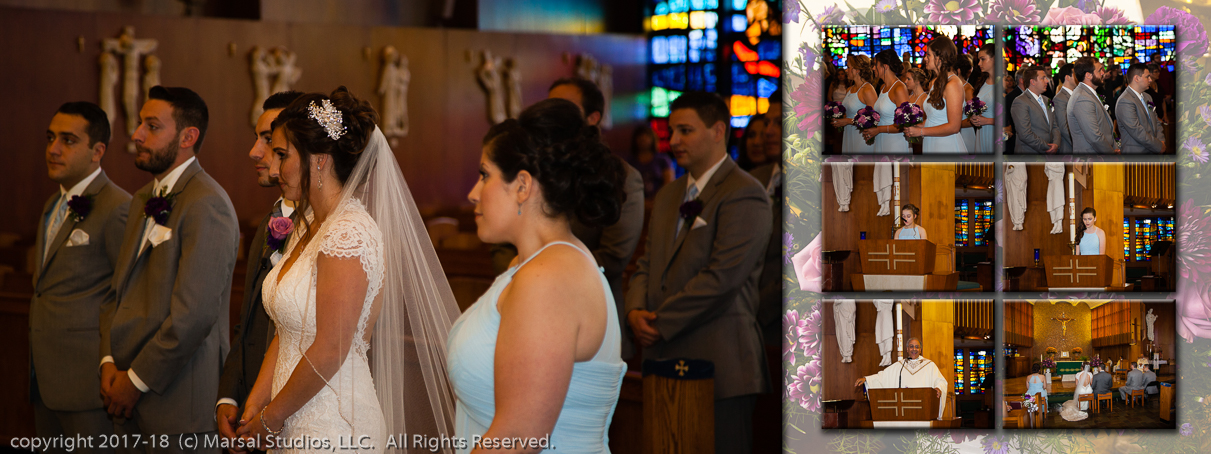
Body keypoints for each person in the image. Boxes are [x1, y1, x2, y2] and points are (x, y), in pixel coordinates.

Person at [236, 87, 461, 448]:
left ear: (320, 159)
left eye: (282, 155)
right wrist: (255, 405)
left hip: (334, 424)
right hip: (288, 412)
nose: (274, 168)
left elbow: (331, 348)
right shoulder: (308, 225)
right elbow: (286, 329)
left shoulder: (349, 233)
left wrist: (272, 417)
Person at [448, 98, 627, 452]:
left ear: (523, 186)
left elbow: (517, 440)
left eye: (485, 175)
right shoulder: (530, 266)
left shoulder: (549, 278)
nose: (473, 193)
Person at [626, 92, 770, 453]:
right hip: (662, 359)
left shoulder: (745, 193)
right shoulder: (668, 195)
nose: (673, 140)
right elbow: (646, 262)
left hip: (720, 363)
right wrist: (634, 310)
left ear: (718, 130)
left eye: (685, 130)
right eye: (671, 131)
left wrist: (658, 321)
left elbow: (722, 279)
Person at [100, 86, 239, 452]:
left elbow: (193, 316)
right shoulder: (144, 198)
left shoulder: (207, 203)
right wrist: (109, 362)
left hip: (180, 404)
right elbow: (117, 292)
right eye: (140, 124)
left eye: (152, 126)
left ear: (187, 137)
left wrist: (136, 380)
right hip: (126, 395)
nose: (137, 135)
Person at [32, 102, 130, 453]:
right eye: (50, 137)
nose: (53, 149)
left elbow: (126, 295)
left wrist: (115, 369)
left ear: (97, 151)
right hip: (45, 376)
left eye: (68, 140)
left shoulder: (117, 206)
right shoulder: (51, 205)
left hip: (89, 383)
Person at [214, 90, 302, 450]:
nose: (255, 151)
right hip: (251, 405)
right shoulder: (270, 221)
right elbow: (246, 319)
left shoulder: (331, 231)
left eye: (270, 141)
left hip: (294, 408)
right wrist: (229, 396)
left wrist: (269, 413)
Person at [546, 76, 645, 359]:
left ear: (593, 118)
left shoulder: (622, 177)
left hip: (591, 317)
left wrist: (540, 273)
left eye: (564, 107)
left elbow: (613, 257)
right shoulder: (535, 170)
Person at [854, 338, 948, 420]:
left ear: (920, 349)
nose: (914, 349)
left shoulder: (929, 365)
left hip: (922, 408)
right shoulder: (900, 365)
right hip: (904, 409)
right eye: (911, 346)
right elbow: (883, 376)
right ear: (907, 349)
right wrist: (867, 379)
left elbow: (941, 381)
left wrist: (939, 387)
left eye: (916, 347)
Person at [903, 37, 968, 153]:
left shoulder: (953, 83)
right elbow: (935, 119)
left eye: (928, 55)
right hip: (931, 142)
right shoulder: (935, 82)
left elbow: (954, 126)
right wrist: (918, 126)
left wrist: (921, 132)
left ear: (940, 58)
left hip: (946, 145)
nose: (925, 58)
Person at [861, 50, 910, 153]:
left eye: (875, 65)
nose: (873, 68)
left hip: (895, 142)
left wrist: (878, 129)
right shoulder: (882, 87)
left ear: (885, 66)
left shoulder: (899, 88)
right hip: (881, 139)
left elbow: (904, 124)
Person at [1067, 57, 1117, 154]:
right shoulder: (1082, 98)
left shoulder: (1088, 93)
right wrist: (1112, 154)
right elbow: (1094, 136)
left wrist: (1114, 147)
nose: (1103, 73)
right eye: (1099, 70)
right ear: (1088, 75)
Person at [831, 54, 877, 154]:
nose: (846, 70)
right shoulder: (850, 89)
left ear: (857, 70)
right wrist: (839, 119)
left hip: (862, 136)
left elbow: (875, 119)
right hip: (848, 133)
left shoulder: (867, 89)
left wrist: (848, 121)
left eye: (848, 67)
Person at [1115, 63, 1164, 154]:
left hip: (1152, 150)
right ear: (1136, 78)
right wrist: (1158, 145)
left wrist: (1161, 140)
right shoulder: (1125, 100)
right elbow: (1136, 131)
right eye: (1147, 77)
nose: (1150, 79)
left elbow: (1156, 120)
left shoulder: (1147, 97)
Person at [1010, 65, 1060, 154]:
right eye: (1043, 78)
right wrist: (1047, 147)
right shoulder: (1020, 101)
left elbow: (1055, 126)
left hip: (1049, 152)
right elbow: (1025, 134)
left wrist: (1056, 144)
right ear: (1033, 82)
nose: (1047, 81)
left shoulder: (1047, 100)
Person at [627, 124, 673, 198]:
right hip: (636, 200)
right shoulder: (629, 161)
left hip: (660, 199)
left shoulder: (663, 159)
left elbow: (669, 183)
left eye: (646, 136)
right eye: (640, 136)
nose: (643, 139)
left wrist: (656, 200)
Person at [970, 44, 996, 154]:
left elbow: (1010, 119)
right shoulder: (982, 82)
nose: (979, 63)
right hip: (982, 132)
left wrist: (988, 121)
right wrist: (973, 117)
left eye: (983, 59)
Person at [955, 54, 977, 154]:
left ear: (958, 70)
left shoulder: (968, 90)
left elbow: (974, 119)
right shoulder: (948, 86)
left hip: (965, 134)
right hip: (951, 133)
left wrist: (952, 124)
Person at [1053, 64, 1077, 154]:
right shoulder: (1060, 98)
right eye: (1075, 74)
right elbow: (1064, 127)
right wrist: (1079, 145)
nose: (1078, 76)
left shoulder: (1076, 94)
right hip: (1069, 147)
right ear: (1067, 77)